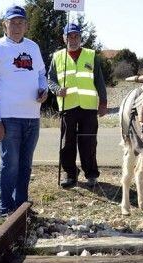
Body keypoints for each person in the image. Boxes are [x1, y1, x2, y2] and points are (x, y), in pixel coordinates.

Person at [0, 5, 48, 217]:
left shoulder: (33, 47)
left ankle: (21, 208)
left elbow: (41, 75)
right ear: (5, 24)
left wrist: (43, 90)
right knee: (9, 165)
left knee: (25, 165)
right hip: (8, 118)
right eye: (13, 22)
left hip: (32, 117)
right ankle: (4, 209)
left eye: (21, 22)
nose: (17, 26)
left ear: (26, 25)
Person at [48, 23, 108, 189]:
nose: (73, 40)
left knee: (88, 142)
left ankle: (91, 174)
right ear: (64, 38)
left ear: (81, 38)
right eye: (69, 36)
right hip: (68, 106)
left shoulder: (91, 55)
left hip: (88, 108)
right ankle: (70, 174)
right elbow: (50, 80)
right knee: (67, 143)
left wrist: (103, 102)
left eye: (76, 36)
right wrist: (57, 90)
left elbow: (99, 81)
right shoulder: (57, 56)